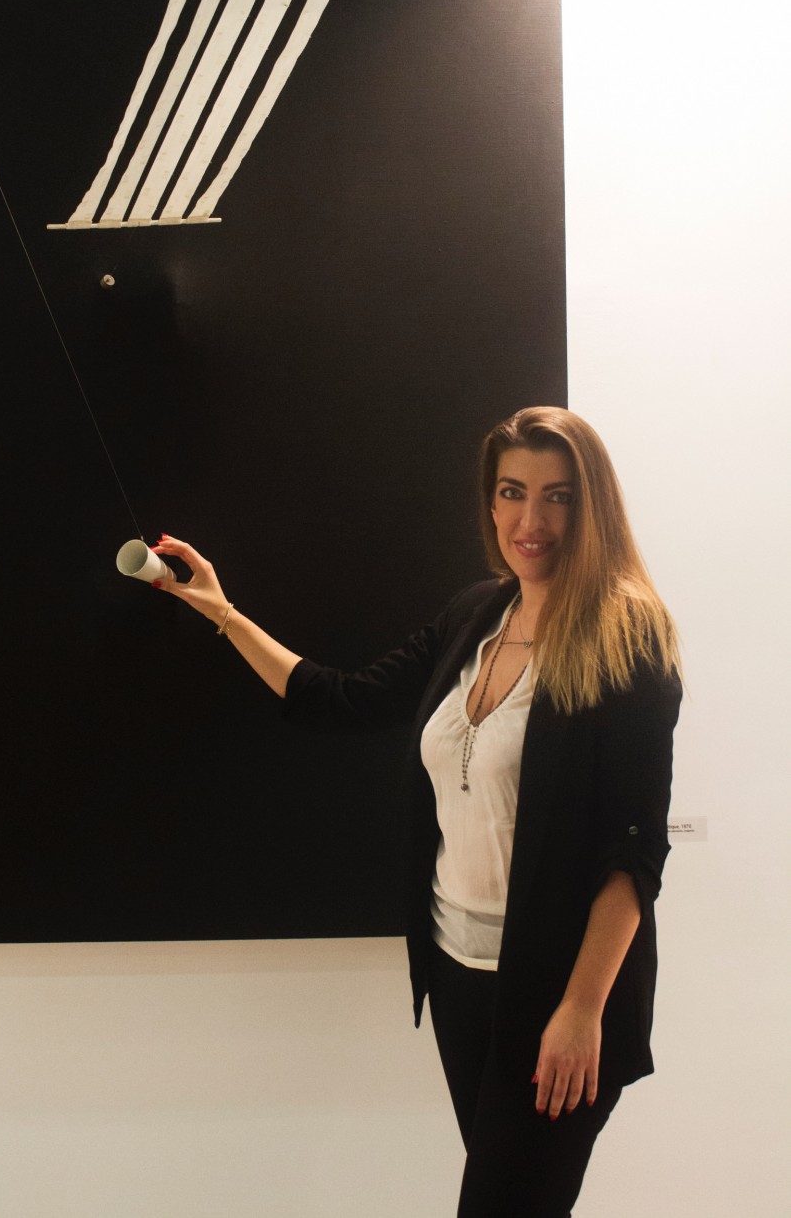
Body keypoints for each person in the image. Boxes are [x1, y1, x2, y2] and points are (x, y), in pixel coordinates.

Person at [150, 406, 681, 1218]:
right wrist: (222, 612)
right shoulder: (477, 614)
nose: (531, 521)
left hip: (557, 989)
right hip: (457, 973)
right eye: (513, 492)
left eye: (558, 496)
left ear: (592, 506)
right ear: (490, 501)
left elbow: (633, 853)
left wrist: (583, 1010)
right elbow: (340, 699)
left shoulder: (627, 639)